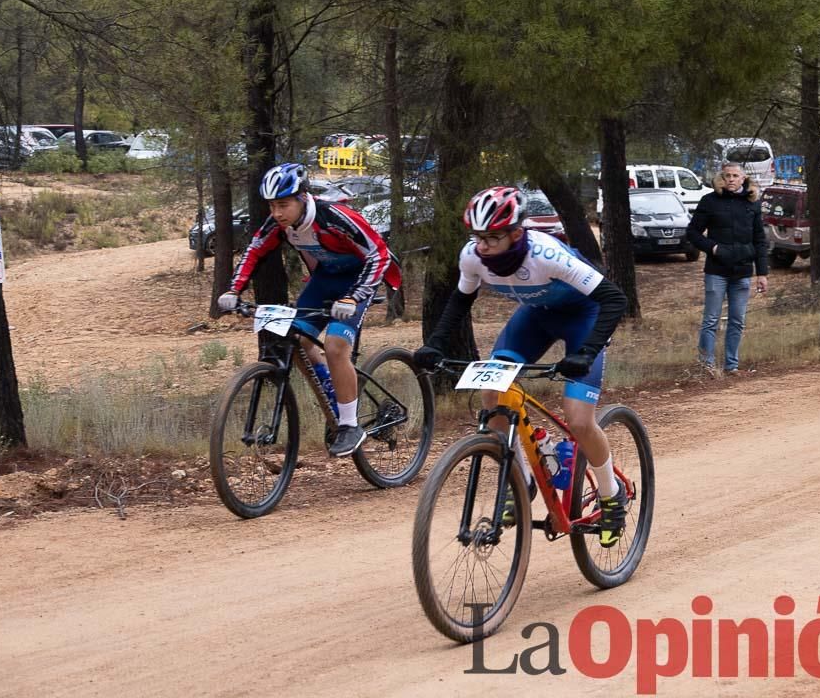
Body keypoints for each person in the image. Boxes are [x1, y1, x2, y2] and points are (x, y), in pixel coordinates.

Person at [413, 186, 631, 547]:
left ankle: (611, 496)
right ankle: (524, 480)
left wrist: (588, 352)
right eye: (478, 237)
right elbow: (459, 301)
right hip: (535, 318)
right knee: (493, 394)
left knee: (578, 419)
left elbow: (613, 298)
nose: (482, 246)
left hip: (583, 318)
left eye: (492, 238)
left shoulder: (547, 254)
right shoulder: (472, 256)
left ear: (517, 234)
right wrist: (434, 343)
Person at [218, 163, 401, 457]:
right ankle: (333, 391)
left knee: (335, 345)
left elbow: (378, 254)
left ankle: (350, 425)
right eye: (272, 206)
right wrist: (233, 290)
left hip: (358, 280)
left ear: (303, 198)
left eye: (283, 204)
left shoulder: (335, 216)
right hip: (325, 280)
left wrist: (354, 298)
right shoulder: (278, 225)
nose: (277, 213)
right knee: (298, 340)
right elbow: (254, 251)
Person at [686, 161, 769, 376]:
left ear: (743, 179)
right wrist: (712, 247)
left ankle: (731, 365)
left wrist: (762, 273)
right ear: (721, 179)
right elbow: (692, 233)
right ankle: (706, 365)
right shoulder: (710, 201)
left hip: (742, 271)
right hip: (716, 271)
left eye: (735, 176)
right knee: (711, 320)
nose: (731, 179)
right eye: (727, 176)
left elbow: (760, 239)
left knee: (737, 320)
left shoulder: (752, 203)